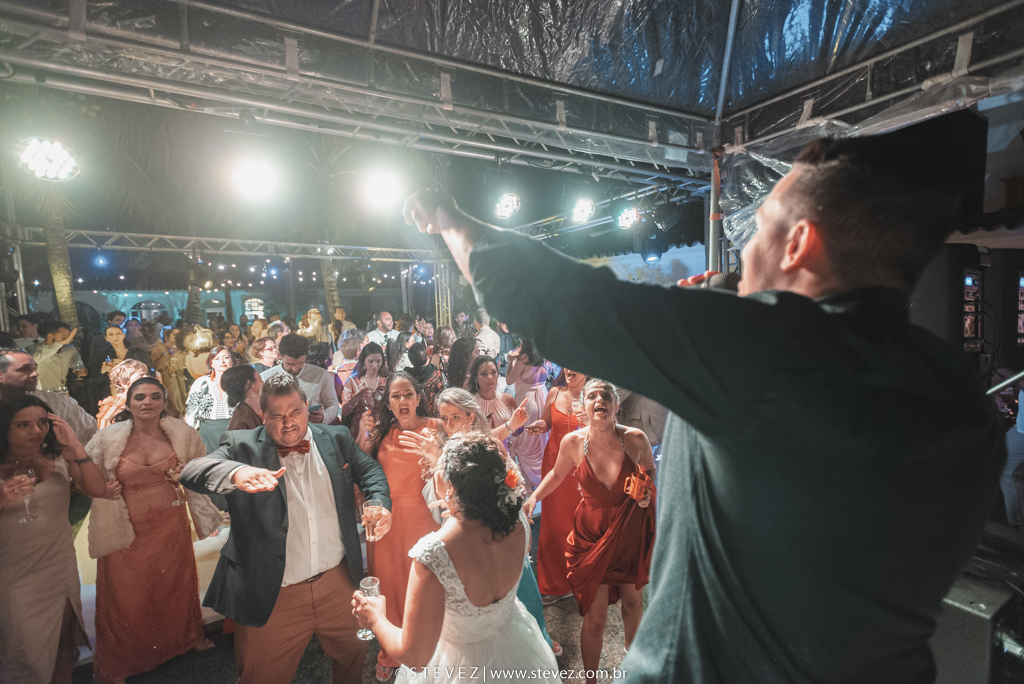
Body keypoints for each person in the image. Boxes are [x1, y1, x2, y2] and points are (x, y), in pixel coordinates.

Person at [402, 134, 1007, 684]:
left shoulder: (770, 350)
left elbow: (546, 300)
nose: (742, 255)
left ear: (799, 243)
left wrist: (446, 216)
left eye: (759, 230)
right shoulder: (963, 403)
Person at [180, 373, 393, 684]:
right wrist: (237, 473)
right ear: (263, 416)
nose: (288, 422)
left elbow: (369, 469)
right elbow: (192, 471)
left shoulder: (335, 438)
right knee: (262, 676)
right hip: (274, 592)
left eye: (295, 412)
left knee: (353, 661)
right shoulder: (242, 446)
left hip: (338, 584)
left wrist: (379, 501)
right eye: (277, 415)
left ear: (307, 407)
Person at [352, 433, 560, 683]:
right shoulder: (518, 525)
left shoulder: (434, 554)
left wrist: (375, 617)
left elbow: (415, 657)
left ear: (450, 487)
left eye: (439, 468)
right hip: (516, 648)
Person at [83, 377, 222, 684]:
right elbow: (83, 477)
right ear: (129, 404)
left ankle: (186, 639)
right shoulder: (108, 438)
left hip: (170, 525)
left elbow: (202, 470)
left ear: (163, 402)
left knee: (175, 584)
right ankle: (121, 662)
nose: (147, 402)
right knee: (125, 596)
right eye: (140, 397)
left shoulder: (182, 433)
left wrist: (184, 475)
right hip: (124, 529)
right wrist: (103, 487)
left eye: (155, 397)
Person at [525, 379, 656, 683]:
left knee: (633, 603)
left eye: (606, 395)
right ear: (583, 407)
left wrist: (646, 490)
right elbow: (557, 474)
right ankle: (591, 679)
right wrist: (533, 497)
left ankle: (633, 666)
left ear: (616, 406)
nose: (600, 400)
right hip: (591, 535)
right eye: (592, 396)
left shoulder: (636, 439)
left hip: (628, 533)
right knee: (594, 617)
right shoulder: (573, 443)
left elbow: (648, 469)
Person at [424, 388, 555, 654]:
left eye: (455, 417)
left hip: (499, 531)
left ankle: (538, 639)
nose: (449, 425)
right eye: (444, 418)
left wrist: (511, 512)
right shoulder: (443, 451)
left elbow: (514, 482)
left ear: (471, 417)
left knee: (524, 592)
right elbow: (443, 499)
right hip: (466, 537)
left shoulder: (490, 445)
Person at [0, 395, 110, 684]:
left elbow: (97, 489)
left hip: (58, 565)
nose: (36, 431)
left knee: (63, 642)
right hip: (13, 573)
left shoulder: (58, 455)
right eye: (23, 425)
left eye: (42, 423)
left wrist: (74, 445)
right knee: (24, 650)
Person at [357, 371, 442, 680]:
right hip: (388, 531)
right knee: (390, 590)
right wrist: (360, 437)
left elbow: (453, 475)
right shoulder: (380, 434)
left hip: (426, 525)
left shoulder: (438, 429)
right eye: (396, 396)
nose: (403, 400)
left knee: (426, 589)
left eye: (408, 394)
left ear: (419, 397)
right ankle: (391, 653)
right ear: (388, 403)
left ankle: (430, 650)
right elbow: (360, 472)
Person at [0, 349, 98, 445]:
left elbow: (92, 436)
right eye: (23, 369)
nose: (35, 374)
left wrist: (71, 455)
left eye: (34, 368)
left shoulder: (61, 403)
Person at [260, 334, 340, 425]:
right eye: (290, 364)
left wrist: (324, 417)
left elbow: (332, 405)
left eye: (300, 363)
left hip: (312, 431)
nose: (295, 369)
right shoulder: (265, 378)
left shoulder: (321, 375)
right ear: (280, 356)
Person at [505, 338, 548, 487]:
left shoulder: (523, 358)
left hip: (527, 403)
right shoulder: (543, 355)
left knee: (524, 440)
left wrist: (510, 362)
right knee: (539, 438)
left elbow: (509, 380)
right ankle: (541, 475)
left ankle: (528, 482)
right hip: (542, 400)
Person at [184, 345, 234, 453]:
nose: (222, 361)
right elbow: (191, 412)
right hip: (207, 432)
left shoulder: (240, 382)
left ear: (231, 360)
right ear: (211, 363)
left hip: (234, 430)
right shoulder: (201, 383)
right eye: (217, 359)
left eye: (226, 357)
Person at [341, 342, 388, 434]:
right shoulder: (353, 382)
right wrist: (358, 397)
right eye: (371, 361)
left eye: (378, 361)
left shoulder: (387, 381)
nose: (375, 366)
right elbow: (345, 412)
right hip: (361, 429)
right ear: (363, 361)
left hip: (383, 427)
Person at [96, 359, 150, 430]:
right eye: (140, 376)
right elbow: (103, 436)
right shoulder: (113, 408)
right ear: (124, 383)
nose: (146, 377)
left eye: (146, 374)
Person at [33, 320, 80, 394]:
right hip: (43, 394)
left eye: (68, 335)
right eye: (63, 335)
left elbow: (77, 365)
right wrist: (60, 344)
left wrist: (81, 371)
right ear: (50, 336)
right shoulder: (35, 349)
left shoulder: (70, 349)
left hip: (62, 392)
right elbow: (35, 359)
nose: (67, 338)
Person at [407, 342, 445, 417]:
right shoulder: (435, 375)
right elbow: (442, 392)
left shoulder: (406, 377)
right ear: (426, 357)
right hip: (432, 415)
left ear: (410, 360)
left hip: (413, 415)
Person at [224, 365, 265, 431]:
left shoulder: (269, 405)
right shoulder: (240, 421)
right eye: (260, 379)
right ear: (250, 383)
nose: (263, 382)